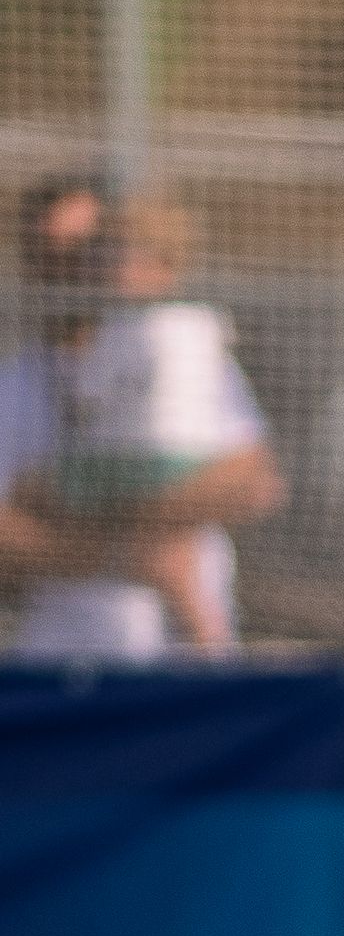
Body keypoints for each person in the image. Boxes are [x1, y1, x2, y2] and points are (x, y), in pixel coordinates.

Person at [0, 177, 285, 661]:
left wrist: (78, 503)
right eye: (51, 253)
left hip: (182, 659)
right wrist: (129, 557)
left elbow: (253, 483)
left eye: (89, 249)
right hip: (61, 658)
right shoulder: (16, 384)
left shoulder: (181, 354)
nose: (73, 270)